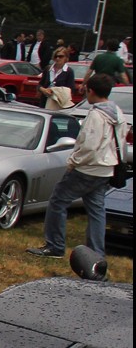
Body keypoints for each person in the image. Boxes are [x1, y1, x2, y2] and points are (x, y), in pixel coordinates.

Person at [28, 73, 125, 261]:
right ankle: (96, 253)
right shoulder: (118, 113)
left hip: (87, 168)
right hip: (107, 168)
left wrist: (73, 161)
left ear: (91, 91)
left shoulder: (97, 115)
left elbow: (89, 146)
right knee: (96, 210)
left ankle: (55, 246)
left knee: (58, 201)